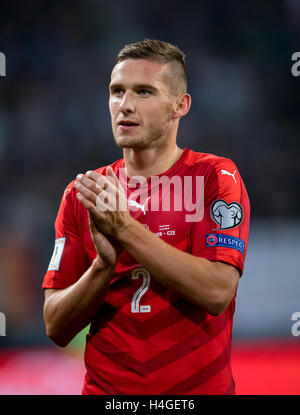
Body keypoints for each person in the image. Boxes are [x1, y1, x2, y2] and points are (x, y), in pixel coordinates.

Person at [42, 39, 250, 395]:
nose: (125, 105)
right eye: (116, 91)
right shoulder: (86, 194)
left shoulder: (215, 178)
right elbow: (56, 327)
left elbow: (217, 291)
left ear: (179, 105)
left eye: (144, 92)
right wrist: (102, 268)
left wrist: (125, 230)